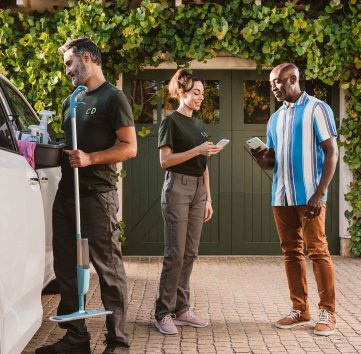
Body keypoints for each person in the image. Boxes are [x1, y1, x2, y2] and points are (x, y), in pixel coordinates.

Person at [36, 38, 137, 354]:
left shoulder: (113, 98)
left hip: (97, 196)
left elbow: (130, 147)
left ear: (89, 57)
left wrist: (91, 158)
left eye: (69, 63)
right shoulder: (71, 100)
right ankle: (76, 338)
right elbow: (71, 144)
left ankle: (118, 341)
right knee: (66, 268)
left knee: (108, 269)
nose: (66, 71)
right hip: (66, 196)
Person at [251, 63, 338, 336]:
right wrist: (261, 158)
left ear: (293, 79)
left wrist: (319, 192)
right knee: (291, 253)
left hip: (309, 196)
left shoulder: (318, 108)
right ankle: (300, 309)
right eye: (271, 83)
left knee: (318, 251)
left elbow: (331, 152)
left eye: (277, 82)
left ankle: (328, 312)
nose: (274, 87)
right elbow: (272, 160)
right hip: (281, 195)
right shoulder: (274, 118)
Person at [154, 69, 223, 335]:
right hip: (177, 188)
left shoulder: (199, 124)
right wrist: (197, 149)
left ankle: (181, 310)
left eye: (203, 94)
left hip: (197, 192)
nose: (200, 98)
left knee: (191, 252)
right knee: (175, 253)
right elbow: (165, 162)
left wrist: (208, 198)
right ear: (182, 92)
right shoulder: (170, 122)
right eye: (196, 93)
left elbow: (203, 164)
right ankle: (163, 313)